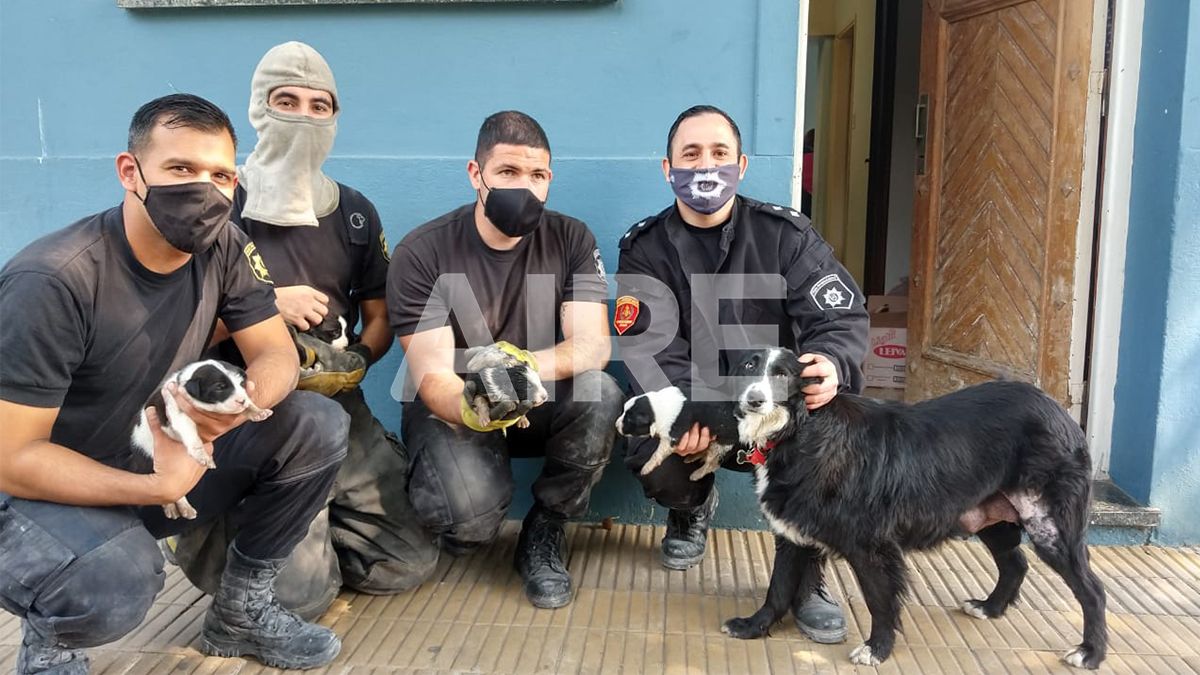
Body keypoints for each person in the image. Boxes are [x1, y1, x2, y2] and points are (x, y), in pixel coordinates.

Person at [0, 94, 348, 674]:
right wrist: (159, 487)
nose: (205, 191)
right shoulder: (53, 281)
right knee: (119, 579)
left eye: (221, 175)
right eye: (181, 170)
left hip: (157, 456)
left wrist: (236, 410)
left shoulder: (226, 247)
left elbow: (274, 353)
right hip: (39, 496)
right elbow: (11, 460)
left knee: (315, 426)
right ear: (130, 171)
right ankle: (52, 645)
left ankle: (240, 612)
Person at [171, 41, 439, 622]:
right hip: (247, 413)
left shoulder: (355, 213)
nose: (305, 117)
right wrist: (263, 308)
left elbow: (380, 315)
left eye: (321, 106)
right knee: (299, 601)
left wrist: (361, 360)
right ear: (258, 108)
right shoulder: (220, 206)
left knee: (407, 565)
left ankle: (313, 532)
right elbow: (175, 322)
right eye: (286, 101)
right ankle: (211, 533)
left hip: (340, 401)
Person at [615, 105, 869, 644]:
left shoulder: (786, 236)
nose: (705, 165)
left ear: (742, 164)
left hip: (777, 415)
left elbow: (838, 315)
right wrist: (691, 413)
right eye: (690, 154)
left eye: (718, 153)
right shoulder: (645, 249)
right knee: (655, 454)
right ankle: (691, 506)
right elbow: (650, 347)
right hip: (706, 409)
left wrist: (832, 361)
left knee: (830, 424)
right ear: (668, 169)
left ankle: (807, 575)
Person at [388, 111, 623, 609]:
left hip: (540, 399)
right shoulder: (422, 250)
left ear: (549, 180)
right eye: (508, 173)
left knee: (601, 393)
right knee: (466, 526)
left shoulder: (571, 238)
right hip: (458, 406)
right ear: (477, 174)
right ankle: (465, 499)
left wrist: (518, 367)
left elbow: (593, 345)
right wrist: (481, 400)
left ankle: (546, 529)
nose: (524, 187)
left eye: (537, 176)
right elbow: (429, 373)